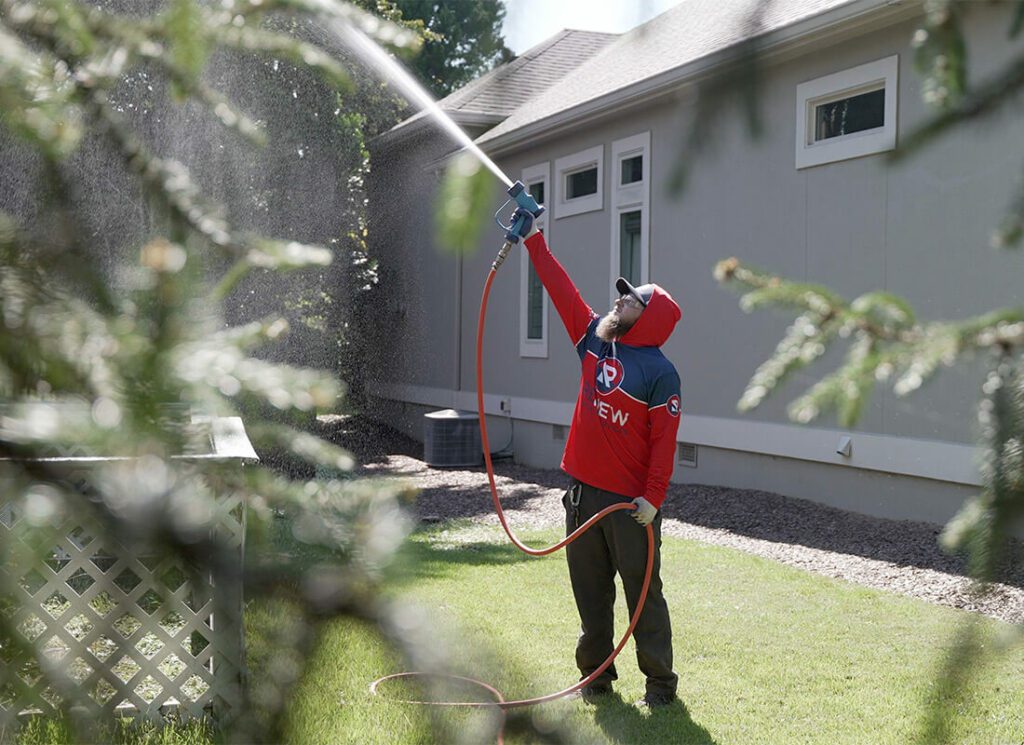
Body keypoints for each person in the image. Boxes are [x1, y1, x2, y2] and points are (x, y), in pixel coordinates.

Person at [510, 210, 682, 708]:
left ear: (646, 317)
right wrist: (534, 241)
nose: (620, 299)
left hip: (631, 509)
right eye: (623, 294)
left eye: (631, 299)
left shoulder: (661, 374)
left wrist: (652, 499)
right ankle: (596, 677)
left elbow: (664, 444)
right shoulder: (595, 340)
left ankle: (660, 686)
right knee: (590, 594)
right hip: (582, 498)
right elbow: (562, 290)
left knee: (643, 598)